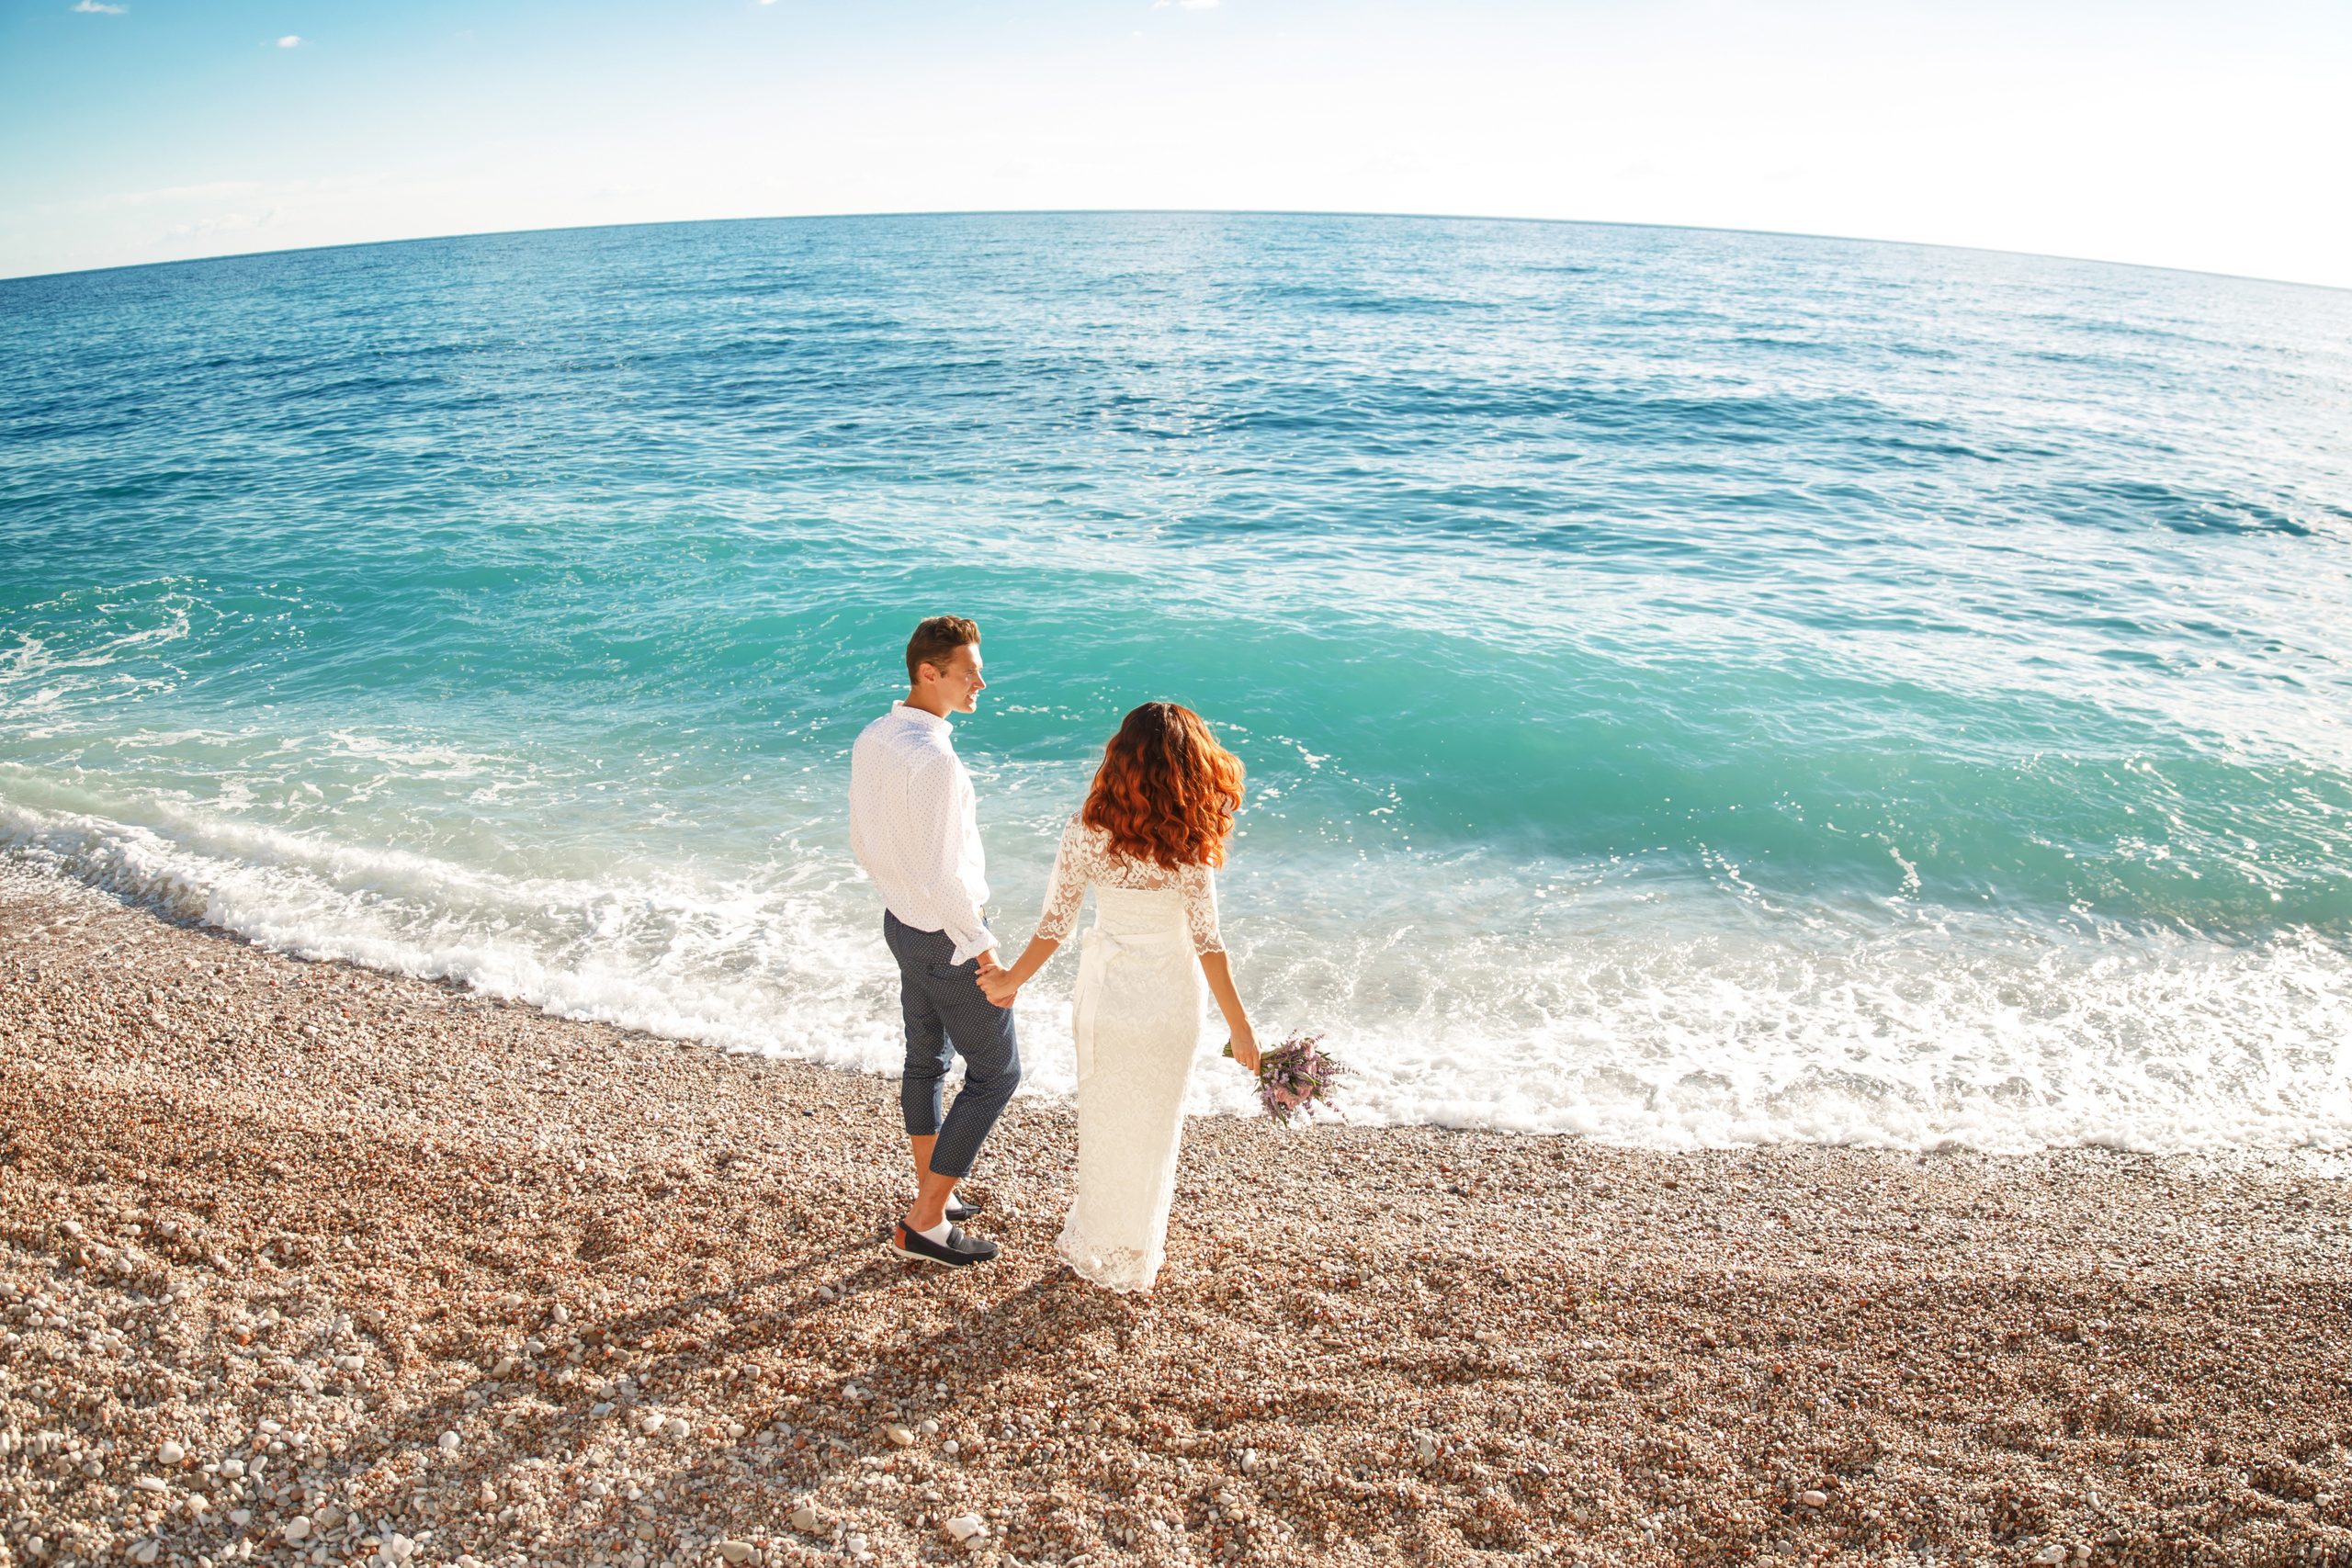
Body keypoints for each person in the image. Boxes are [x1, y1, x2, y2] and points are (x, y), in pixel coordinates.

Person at [980, 702, 1261, 1293]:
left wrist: (1010, 981)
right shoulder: (1188, 841)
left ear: (1120, 758)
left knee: (1106, 1119)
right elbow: (1210, 945)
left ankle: (1103, 1233)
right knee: (1156, 1123)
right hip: (1171, 1002)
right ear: (1193, 766)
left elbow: (1053, 926)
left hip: (1107, 997)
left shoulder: (1085, 832)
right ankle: (1137, 1245)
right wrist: (1241, 1028)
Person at [849, 615, 1018, 1269]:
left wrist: (904, 897)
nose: (981, 680)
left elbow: (864, 840)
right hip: (945, 939)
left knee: (926, 1061)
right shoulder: (937, 760)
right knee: (998, 1073)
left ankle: (936, 1195)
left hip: (900, 922)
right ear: (929, 672)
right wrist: (984, 949)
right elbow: (944, 875)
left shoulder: (875, 734)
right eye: (968, 669)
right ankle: (925, 1223)